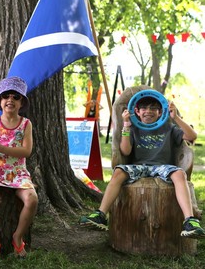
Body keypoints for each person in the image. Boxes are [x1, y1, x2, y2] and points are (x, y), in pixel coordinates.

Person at [80, 96, 205, 239]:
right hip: (139, 166)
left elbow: (192, 136)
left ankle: (190, 221)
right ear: (137, 112)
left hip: (162, 166)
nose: (148, 111)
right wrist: (126, 125)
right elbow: (125, 151)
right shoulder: (133, 128)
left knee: (179, 174)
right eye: (144, 108)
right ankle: (100, 215)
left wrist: (175, 117)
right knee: (118, 172)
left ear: (160, 112)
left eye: (153, 108)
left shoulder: (169, 128)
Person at [0, 76, 38, 261]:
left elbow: (26, 151)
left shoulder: (26, 124)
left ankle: (17, 237)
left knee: (32, 199)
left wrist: (2, 149)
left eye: (15, 97)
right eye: (5, 96)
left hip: (17, 171)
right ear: (0, 101)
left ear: (21, 103)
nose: (10, 99)